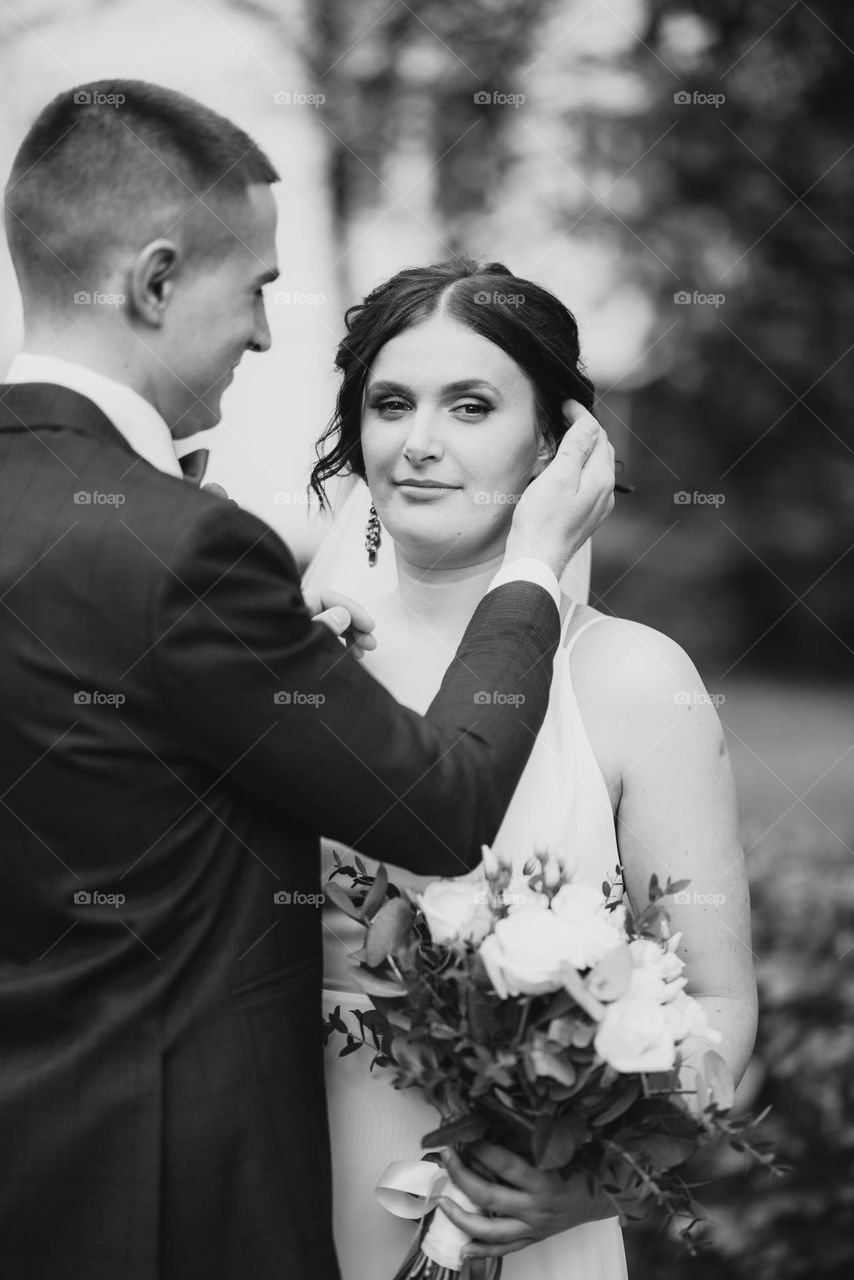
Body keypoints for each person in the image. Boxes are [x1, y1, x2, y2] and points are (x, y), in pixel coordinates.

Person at [0, 85, 616, 1279]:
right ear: (156, 279)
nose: (267, 338)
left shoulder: (144, 537)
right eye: (258, 289)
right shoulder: (180, 547)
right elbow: (437, 809)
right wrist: (534, 562)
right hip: (178, 1186)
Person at [308, 259, 759, 1279]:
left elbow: (721, 1011)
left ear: (556, 446)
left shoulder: (636, 680)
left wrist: (588, 1180)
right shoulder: (293, 658)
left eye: (469, 404)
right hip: (279, 1168)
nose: (418, 440)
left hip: (522, 1219)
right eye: (389, 403)